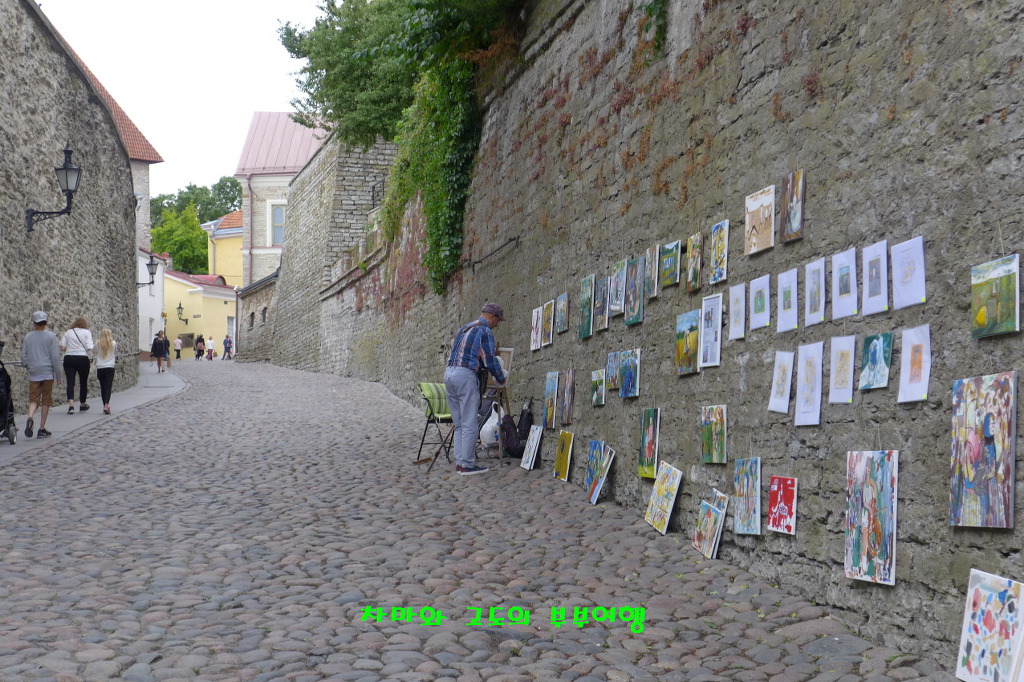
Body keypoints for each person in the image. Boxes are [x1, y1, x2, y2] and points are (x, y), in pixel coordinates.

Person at [444, 302, 506, 476]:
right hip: (465, 375)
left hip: (449, 374)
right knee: (470, 422)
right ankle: (468, 465)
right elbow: (490, 360)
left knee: (459, 424)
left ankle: (460, 462)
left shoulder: (464, 328)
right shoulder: (484, 331)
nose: (497, 325)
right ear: (492, 316)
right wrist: (501, 378)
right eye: (498, 320)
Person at [21, 311, 60, 439]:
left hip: (34, 371)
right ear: (46, 323)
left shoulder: (28, 337)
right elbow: (55, 357)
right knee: (46, 400)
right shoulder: (51, 336)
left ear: (34, 323)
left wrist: (27, 365)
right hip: (47, 371)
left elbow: (24, 355)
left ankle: (30, 417)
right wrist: (58, 375)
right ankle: (41, 428)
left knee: (33, 399)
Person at [60, 317, 94, 414]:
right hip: (82, 358)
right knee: (83, 382)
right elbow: (89, 347)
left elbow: (62, 347)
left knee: (70, 382)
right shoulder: (87, 332)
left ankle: (71, 405)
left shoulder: (68, 332)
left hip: (69, 358)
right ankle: (82, 404)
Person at [95, 328, 116, 415]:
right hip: (110, 367)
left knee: (103, 387)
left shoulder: (97, 343)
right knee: (108, 386)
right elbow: (115, 351)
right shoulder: (113, 343)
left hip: (100, 367)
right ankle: (106, 404)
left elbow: (93, 351)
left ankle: (105, 404)